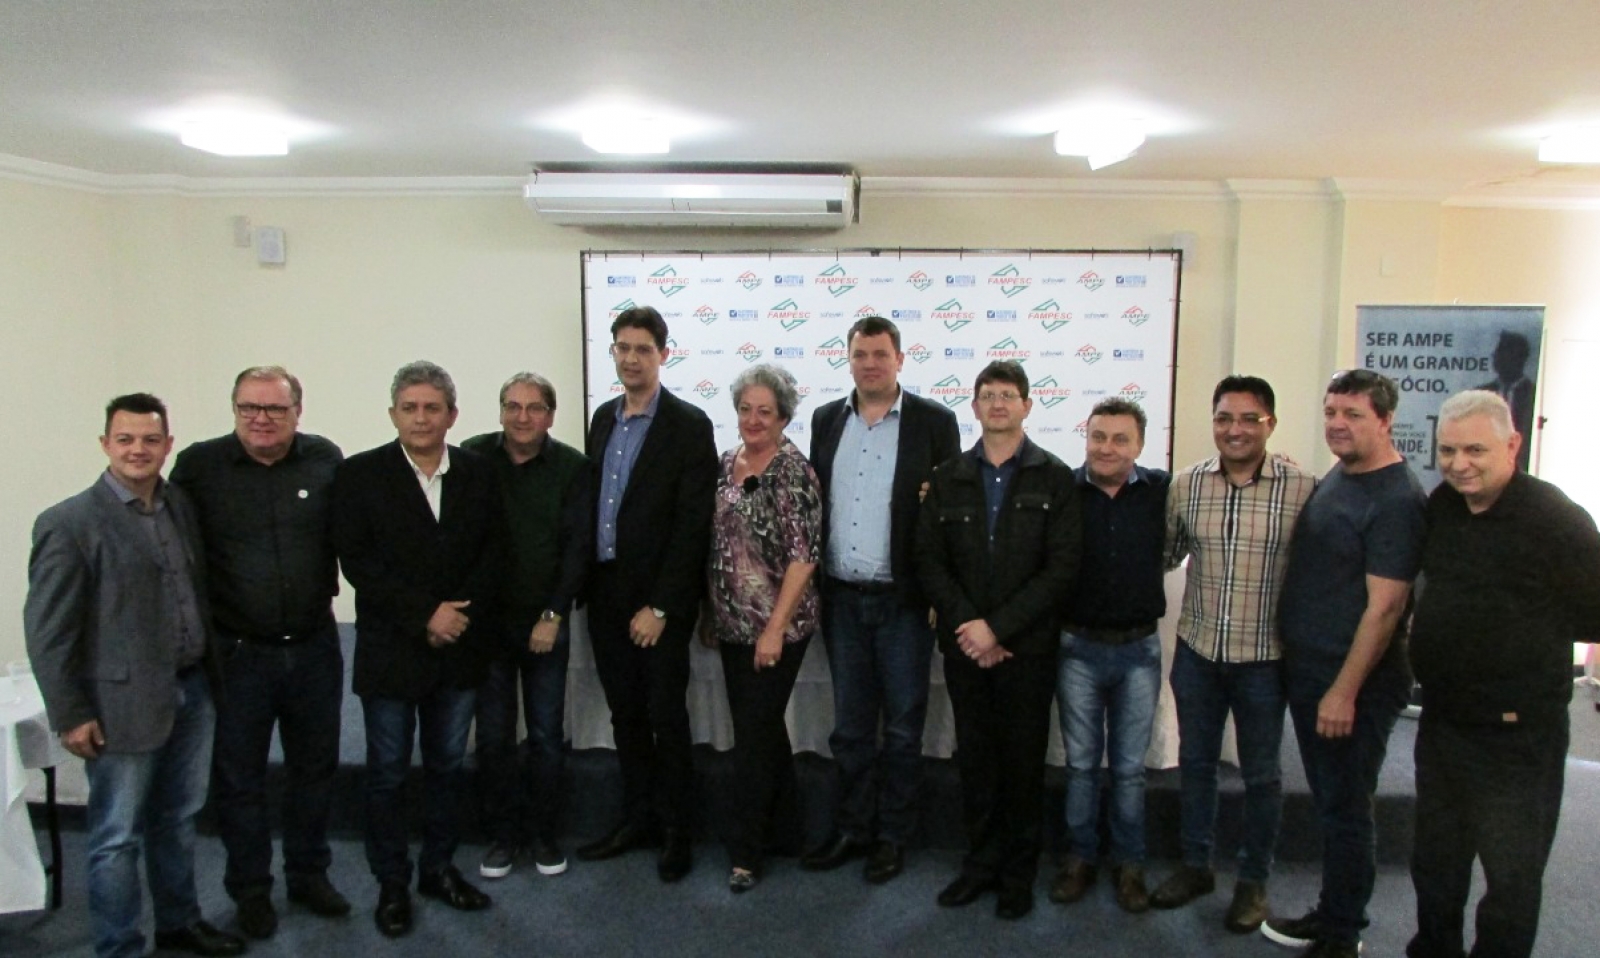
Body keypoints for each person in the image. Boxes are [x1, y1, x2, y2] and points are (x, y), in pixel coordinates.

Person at [25, 394, 246, 958]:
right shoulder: (69, 523)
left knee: (178, 819)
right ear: (105, 444)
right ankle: (120, 945)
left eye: (150, 439)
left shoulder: (179, 506)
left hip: (192, 688)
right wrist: (70, 713)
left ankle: (179, 922)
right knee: (115, 837)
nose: (138, 450)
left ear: (168, 445)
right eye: (125, 439)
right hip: (119, 705)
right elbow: (49, 632)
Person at [1405, 390, 1600, 958]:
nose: (1458, 463)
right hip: (1444, 725)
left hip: (1518, 739)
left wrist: (1526, 635)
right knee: (1435, 865)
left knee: (1510, 879)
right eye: (1447, 450)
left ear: (1512, 445)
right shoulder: (1443, 506)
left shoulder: (1556, 519)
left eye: (1475, 450)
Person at [169, 366, 349, 938]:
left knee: (314, 770)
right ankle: (250, 890)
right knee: (240, 778)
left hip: (315, 646)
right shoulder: (199, 467)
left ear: (298, 411)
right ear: (234, 409)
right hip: (238, 654)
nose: (261, 419)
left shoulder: (325, 460)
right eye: (249, 407)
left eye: (275, 409)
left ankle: (308, 874)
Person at [331, 361, 503, 938]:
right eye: (410, 408)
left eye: (433, 408)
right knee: (386, 773)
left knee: (447, 769)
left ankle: (437, 869)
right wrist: (425, 615)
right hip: (391, 651)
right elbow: (359, 562)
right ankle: (391, 883)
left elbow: (494, 553)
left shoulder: (478, 473)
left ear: (452, 415)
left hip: (458, 647)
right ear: (393, 414)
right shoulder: (359, 475)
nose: (421, 418)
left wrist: (454, 617)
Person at [1265, 370, 1425, 958]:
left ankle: (1341, 934)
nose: (1337, 423)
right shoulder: (1346, 473)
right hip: (1313, 669)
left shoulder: (1397, 499)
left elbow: (1385, 609)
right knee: (1333, 803)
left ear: (1385, 420)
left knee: (1346, 809)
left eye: (1353, 414)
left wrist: (1344, 691)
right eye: (1331, 411)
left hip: (1351, 682)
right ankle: (1334, 912)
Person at [916, 361, 1080, 920]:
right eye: (988, 394)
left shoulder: (1055, 477)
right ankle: (980, 865)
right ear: (975, 406)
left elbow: (1061, 569)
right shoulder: (947, 477)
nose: (998, 403)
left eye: (1008, 394)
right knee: (977, 763)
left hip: (1026, 651)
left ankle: (1017, 874)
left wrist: (999, 629)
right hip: (966, 648)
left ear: (1027, 405)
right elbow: (929, 560)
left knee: (1022, 766)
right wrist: (972, 627)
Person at [1152, 375, 1316, 933]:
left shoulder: (1303, 489)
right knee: (1196, 766)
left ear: (1271, 424)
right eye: (1224, 418)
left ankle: (1253, 882)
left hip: (1265, 658)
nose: (1235, 429)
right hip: (1198, 652)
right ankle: (1196, 866)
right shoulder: (1186, 485)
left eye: (1249, 419)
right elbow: (1167, 554)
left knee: (1262, 776)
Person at [802, 315, 960, 884]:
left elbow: (947, 514)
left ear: (900, 359)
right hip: (842, 600)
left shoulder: (934, 422)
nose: (870, 364)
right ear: (847, 359)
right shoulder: (826, 419)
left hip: (904, 603)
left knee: (901, 728)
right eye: (860, 354)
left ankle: (893, 836)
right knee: (849, 728)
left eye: (880, 354)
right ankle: (854, 828)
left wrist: (941, 592)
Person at [578, 305, 717, 883]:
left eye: (643, 349)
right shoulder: (602, 419)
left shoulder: (688, 424)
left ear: (663, 354)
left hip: (658, 603)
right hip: (606, 594)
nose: (631, 358)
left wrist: (661, 606)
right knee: (625, 715)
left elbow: (692, 524)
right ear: (612, 352)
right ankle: (638, 819)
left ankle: (677, 832)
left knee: (665, 717)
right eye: (623, 348)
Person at [462, 372, 591, 881]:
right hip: (487, 626)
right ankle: (503, 835)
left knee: (544, 735)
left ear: (551, 416)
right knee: (493, 737)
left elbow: (577, 549)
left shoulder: (572, 467)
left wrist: (554, 614)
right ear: (500, 411)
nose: (522, 416)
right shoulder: (471, 458)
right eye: (512, 406)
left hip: (545, 623)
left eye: (534, 408)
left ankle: (543, 834)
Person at [702, 363, 822, 893]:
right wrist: (711, 611)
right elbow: (719, 542)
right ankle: (790, 832)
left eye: (765, 412)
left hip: (779, 627)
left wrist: (774, 629)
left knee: (751, 738)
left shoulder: (794, 471)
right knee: (763, 730)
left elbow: (804, 557)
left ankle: (745, 854)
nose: (753, 419)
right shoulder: (726, 462)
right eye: (746, 409)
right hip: (731, 623)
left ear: (784, 417)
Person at [1051, 398, 1169, 915]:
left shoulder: (1162, 491)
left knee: (1128, 770)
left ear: (1139, 445)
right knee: (1080, 766)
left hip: (1139, 651)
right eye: (1098, 436)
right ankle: (1079, 858)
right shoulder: (1062, 491)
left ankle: (1130, 864)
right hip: (1077, 648)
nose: (1107, 448)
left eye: (1121, 439)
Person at [1474, 331, 1535, 472]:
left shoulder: (1533, 395)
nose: (1496, 358)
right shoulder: (1479, 394)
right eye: (1496, 353)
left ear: (1519, 359)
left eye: (1502, 353)